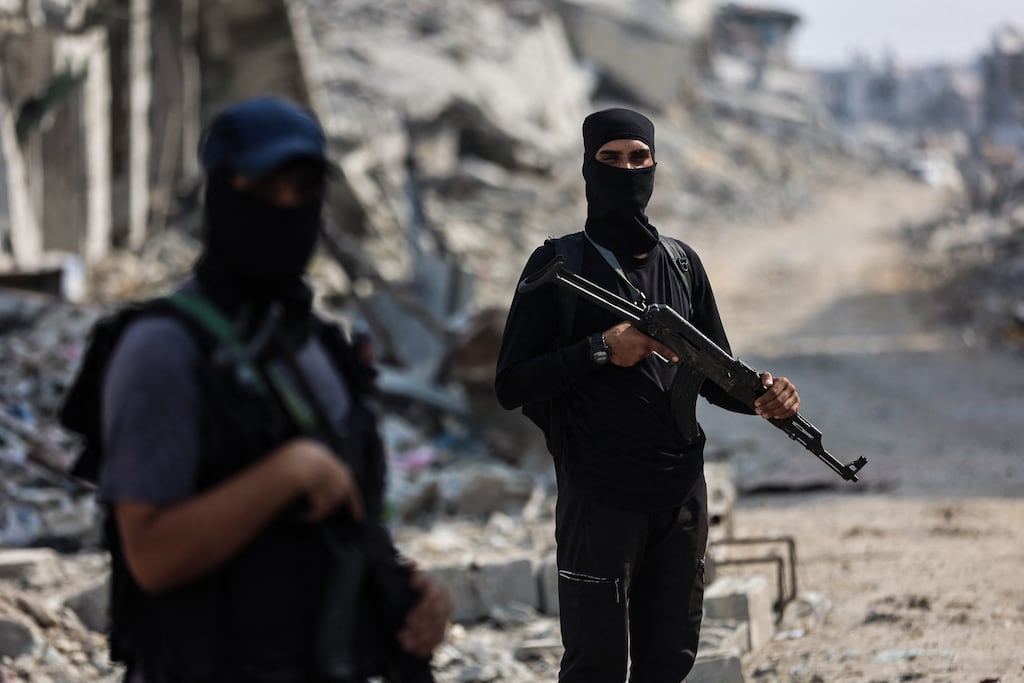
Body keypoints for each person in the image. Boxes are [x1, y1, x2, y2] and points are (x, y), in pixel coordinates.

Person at [71, 96, 451, 682]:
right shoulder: (165, 351)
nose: (287, 208)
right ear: (221, 194)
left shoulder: (319, 349)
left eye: (303, 191)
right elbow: (151, 556)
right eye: (265, 188)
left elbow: (340, 533)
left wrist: (413, 597)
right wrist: (285, 474)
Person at [494, 107, 801, 682]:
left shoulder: (682, 265)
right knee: (597, 665)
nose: (627, 171)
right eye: (611, 159)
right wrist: (601, 349)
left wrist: (767, 394)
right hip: (598, 494)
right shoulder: (557, 264)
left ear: (655, 165)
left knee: (671, 661)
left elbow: (717, 376)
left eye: (639, 158)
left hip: (680, 495)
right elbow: (512, 383)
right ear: (587, 168)